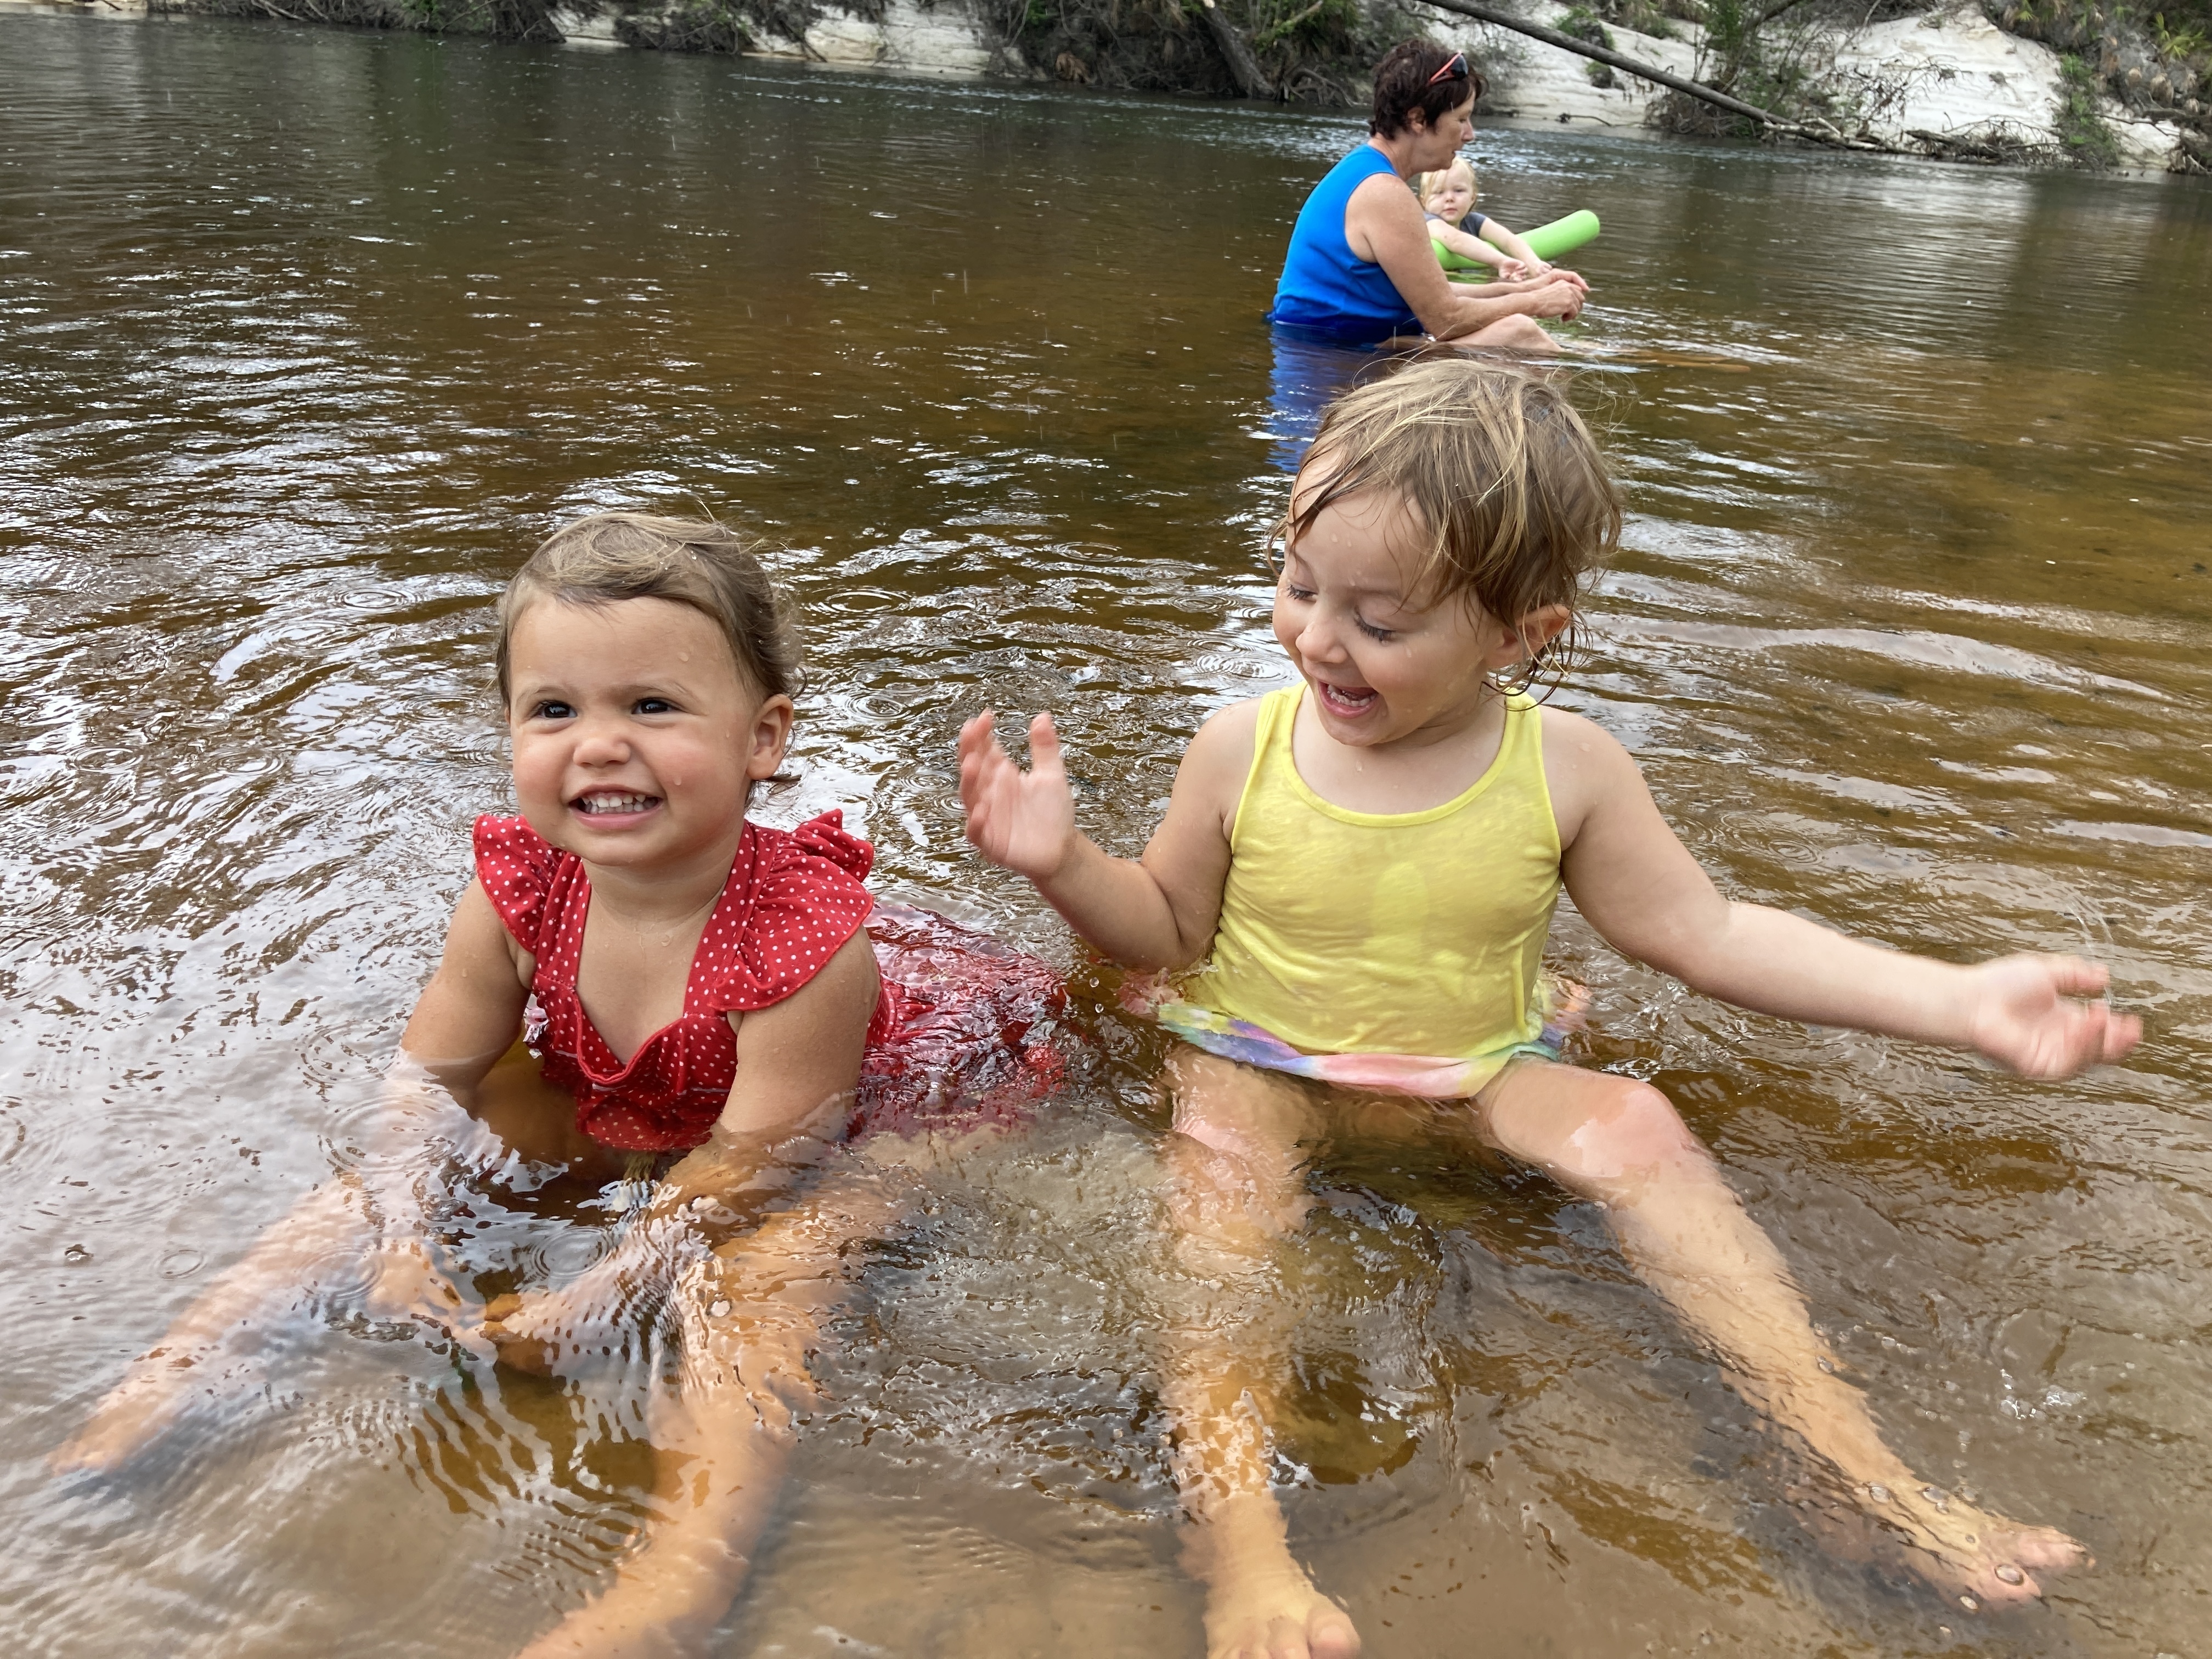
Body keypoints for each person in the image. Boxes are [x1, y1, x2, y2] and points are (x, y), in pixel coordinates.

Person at [957, 360, 2131, 1659]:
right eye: (1300, 589)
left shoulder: (1567, 769)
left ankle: (1851, 1469)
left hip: (1476, 1068)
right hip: (1262, 1053)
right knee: (1223, 1178)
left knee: (1636, 1125)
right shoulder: (1242, 744)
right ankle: (1238, 1542)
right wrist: (1061, 865)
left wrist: (1957, 998)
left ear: (1523, 634)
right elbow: (1170, 932)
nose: (1320, 640)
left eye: (1382, 621)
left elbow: (1711, 934)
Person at [54, 512, 1065, 1658]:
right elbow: (428, 1081)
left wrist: (602, 1296)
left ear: (763, 738)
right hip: (645, 1089)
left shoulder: (806, 950)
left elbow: (748, 1169)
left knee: (755, 1288)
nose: (597, 744)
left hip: (876, 1107)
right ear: (510, 732)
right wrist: (400, 1224)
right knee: (405, 1172)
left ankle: (680, 1575)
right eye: (554, 710)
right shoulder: (519, 887)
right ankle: (188, 1367)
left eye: (652, 706)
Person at [1266, 41, 1590, 352]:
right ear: (1418, 120)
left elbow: (1434, 294)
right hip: (1325, 361)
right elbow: (1445, 319)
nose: (1470, 134)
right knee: (1520, 335)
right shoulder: (1384, 193)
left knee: (1514, 331)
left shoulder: (1364, 171)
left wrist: (1529, 288)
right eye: (1462, 119)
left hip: (1334, 345)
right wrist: (1536, 303)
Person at [1417, 155, 1551, 283]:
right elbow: (1455, 240)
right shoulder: (1428, 222)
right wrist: (1501, 261)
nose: (1449, 198)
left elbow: (1508, 240)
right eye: (1439, 192)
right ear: (1424, 202)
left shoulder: (1474, 221)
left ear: (1473, 198)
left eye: (1458, 191)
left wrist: (1534, 264)